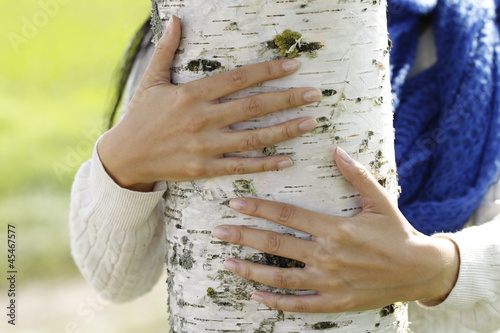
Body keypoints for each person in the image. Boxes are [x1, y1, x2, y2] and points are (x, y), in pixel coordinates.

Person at [70, 1, 500, 332]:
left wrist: (443, 268)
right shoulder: (195, 30)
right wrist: (123, 161)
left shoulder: (483, 45)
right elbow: (116, 280)